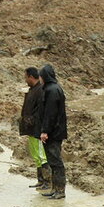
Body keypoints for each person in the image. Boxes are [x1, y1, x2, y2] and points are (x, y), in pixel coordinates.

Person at [39, 64, 68, 199]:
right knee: (52, 161)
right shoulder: (52, 89)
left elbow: (50, 114)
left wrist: (45, 131)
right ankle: (55, 189)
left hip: (54, 132)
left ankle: (60, 191)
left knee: (56, 162)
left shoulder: (52, 90)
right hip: (55, 131)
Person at [19, 67, 47, 190]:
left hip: (37, 129)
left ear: (31, 76)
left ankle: (46, 181)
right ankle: (41, 180)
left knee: (42, 156)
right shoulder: (33, 90)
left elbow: (41, 111)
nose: (25, 80)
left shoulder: (40, 90)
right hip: (31, 129)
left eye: (26, 77)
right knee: (36, 156)